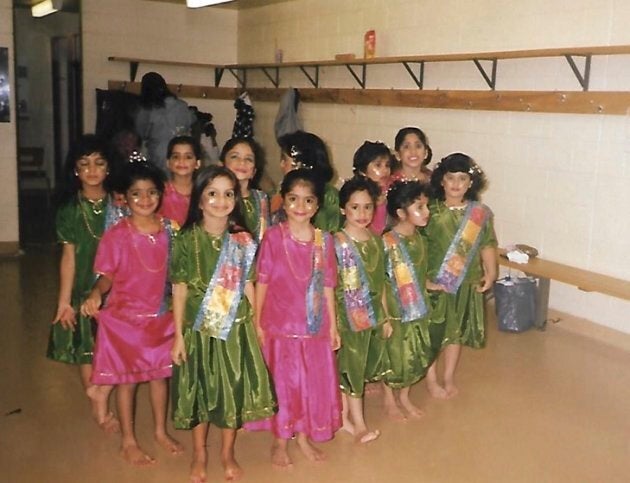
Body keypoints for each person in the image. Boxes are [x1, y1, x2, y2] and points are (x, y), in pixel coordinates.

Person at [170, 166, 275, 483]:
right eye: (212, 193)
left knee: (232, 389)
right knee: (200, 390)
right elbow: (179, 288)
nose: (221, 200)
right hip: (198, 329)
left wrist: (257, 324)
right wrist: (177, 336)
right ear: (199, 200)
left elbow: (249, 284)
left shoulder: (242, 239)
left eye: (228, 193)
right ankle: (199, 452)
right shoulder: (186, 238)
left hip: (235, 328)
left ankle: (227, 452)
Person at [81, 160, 182, 465]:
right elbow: (107, 275)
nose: (145, 199)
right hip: (126, 321)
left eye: (151, 192)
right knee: (127, 381)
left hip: (160, 319)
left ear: (160, 195)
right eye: (137, 194)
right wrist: (97, 292)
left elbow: (178, 275)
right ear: (125, 197)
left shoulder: (170, 232)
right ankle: (129, 440)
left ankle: (160, 432)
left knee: (159, 378)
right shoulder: (117, 234)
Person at [245, 169, 341, 467]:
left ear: (317, 205)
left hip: (314, 326)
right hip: (280, 327)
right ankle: (280, 439)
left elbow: (327, 286)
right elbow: (262, 281)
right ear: (283, 202)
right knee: (284, 385)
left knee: (310, 383)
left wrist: (334, 326)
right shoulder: (274, 238)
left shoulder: (323, 241)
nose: (301, 207)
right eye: (293, 199)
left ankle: (302, 435)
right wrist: (259, 322)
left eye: (308, 200)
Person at [47, 134, 125, 433]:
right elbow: (68, 257)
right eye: (85, 164)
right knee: (86, 345)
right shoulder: (69, 209)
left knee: (114, 344)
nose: (92, 170)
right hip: (83, 283)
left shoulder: (119, 204)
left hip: (116, 285)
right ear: (75, 170)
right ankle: (99, 406)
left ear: (108, 168)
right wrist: (64, 301)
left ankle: (100, 392)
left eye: (99, 163)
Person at [424, 153, 497, 399]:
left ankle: (448, 376)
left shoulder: (479, 213)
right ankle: (431, 379)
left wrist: (491, 271)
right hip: (436, 282)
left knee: (455, 332)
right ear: (441, 181)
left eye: (462, 178)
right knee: (433, 332)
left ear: (471, 183)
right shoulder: (429, 210)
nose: (456, 183)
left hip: (466, 282)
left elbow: (487, 243)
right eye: (450, 178)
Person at [334, 176, 391, 444]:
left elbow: (380, 283)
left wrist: (386, 315)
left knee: (354, 368)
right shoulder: (336, 242)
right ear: (343, 208)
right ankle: (358, 423)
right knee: (350, 369)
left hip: (371, 316)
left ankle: (344, 418)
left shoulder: (375, 240)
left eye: (367, 207)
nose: (362, 213)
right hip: (345, 319)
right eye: (355, 207)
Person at [382, 180, 443, 419]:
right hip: (396, 312)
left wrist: (433, 285)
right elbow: (380, 283)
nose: (426, 212)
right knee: (394, 356)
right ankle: (389, 399)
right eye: (419, 207)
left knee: (413, 354)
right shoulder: (387, 242)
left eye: (426, 206)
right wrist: (385, 315)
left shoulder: (419, 239)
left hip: (418, 309)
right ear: (400, 213)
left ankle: (405, 397)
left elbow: (421, 274)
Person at [272, 130, 340, 232]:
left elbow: (327, 234)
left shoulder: (328, 195)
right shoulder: (281, 188)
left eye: (292, 164)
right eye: (282, 159)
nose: (282, 165)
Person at [135, 71, 196, 173]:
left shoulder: (147, 110)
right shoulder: (182, 106)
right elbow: (191, 122)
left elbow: (140, 132)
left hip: (159, 154)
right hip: (183, 152)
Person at [221, 137, 270, 242]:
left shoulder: (261, 199)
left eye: (249, 159)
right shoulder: (216, 198)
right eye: (235, 157)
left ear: (254, 171)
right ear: (222, 164)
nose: (242, 162)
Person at [352, 140, 393, 235]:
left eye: (387, 165)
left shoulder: (392, 188)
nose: (385, 170)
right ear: (363, 170)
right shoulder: (357, 193)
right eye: (378, 165)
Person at [159, 135, 201, 226]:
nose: (181, 161)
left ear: (197, 163)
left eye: (188, 157)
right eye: (176, 157)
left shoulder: (203, 192)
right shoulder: (160, 192)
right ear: (168, 163)